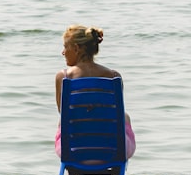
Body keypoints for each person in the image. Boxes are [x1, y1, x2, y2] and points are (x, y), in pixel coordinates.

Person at [54, 25, 136, 159]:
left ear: (77, 48)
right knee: (124, 116)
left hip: (74, 150)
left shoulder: (63, 78)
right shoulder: (114, 76)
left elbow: (63, 114)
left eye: (65, 47)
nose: (63, 52)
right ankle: (117, 172)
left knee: (64, 120)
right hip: (112, 150)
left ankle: (71, 172)